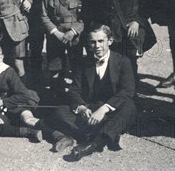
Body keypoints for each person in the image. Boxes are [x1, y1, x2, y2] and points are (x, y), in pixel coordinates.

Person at [43, 24, 136, 161]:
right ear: (88, 44)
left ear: (109, 41)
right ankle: (108, 133)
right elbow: (74, 90)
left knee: (129, 106)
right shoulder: (83, 63)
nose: (97, 46)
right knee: (60, 111)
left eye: (101, 41)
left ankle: (92, 144)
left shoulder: (123, 61)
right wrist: (81, 107)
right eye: (92, 42)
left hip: (112, 109)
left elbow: (127, 90)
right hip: (90, 109)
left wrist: (104, 109)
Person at [0, 42, 42, 141]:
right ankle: (27, 133)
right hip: (1, 113)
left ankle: (56, 135)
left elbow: (24, 94)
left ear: (1, 58)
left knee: (29, 120)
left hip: (16, 106)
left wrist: (3, 102)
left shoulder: (9, 72)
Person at [39, 0, 90, 78]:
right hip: (55, 36)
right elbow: (44, 15)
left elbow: (85, 16)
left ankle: (76, 93)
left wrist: (73, 31)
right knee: (55, 69)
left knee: (77, 68)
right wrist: (55, 32)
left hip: (74, 36)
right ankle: (57, 93)